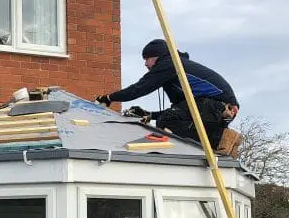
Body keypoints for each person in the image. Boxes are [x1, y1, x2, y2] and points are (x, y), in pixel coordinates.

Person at [95, 39, 240, 149]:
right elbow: (182, 108)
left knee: (166, 122)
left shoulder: (169, 64)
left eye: (147, 59)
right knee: (170, 119)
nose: (146, 64)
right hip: (215, 109)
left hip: (217, 107)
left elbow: (139, 89)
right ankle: (218, 138)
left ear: (157, 57)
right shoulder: (175, 69)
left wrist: (109, 98)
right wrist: (151, 114)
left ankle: (219, 137)